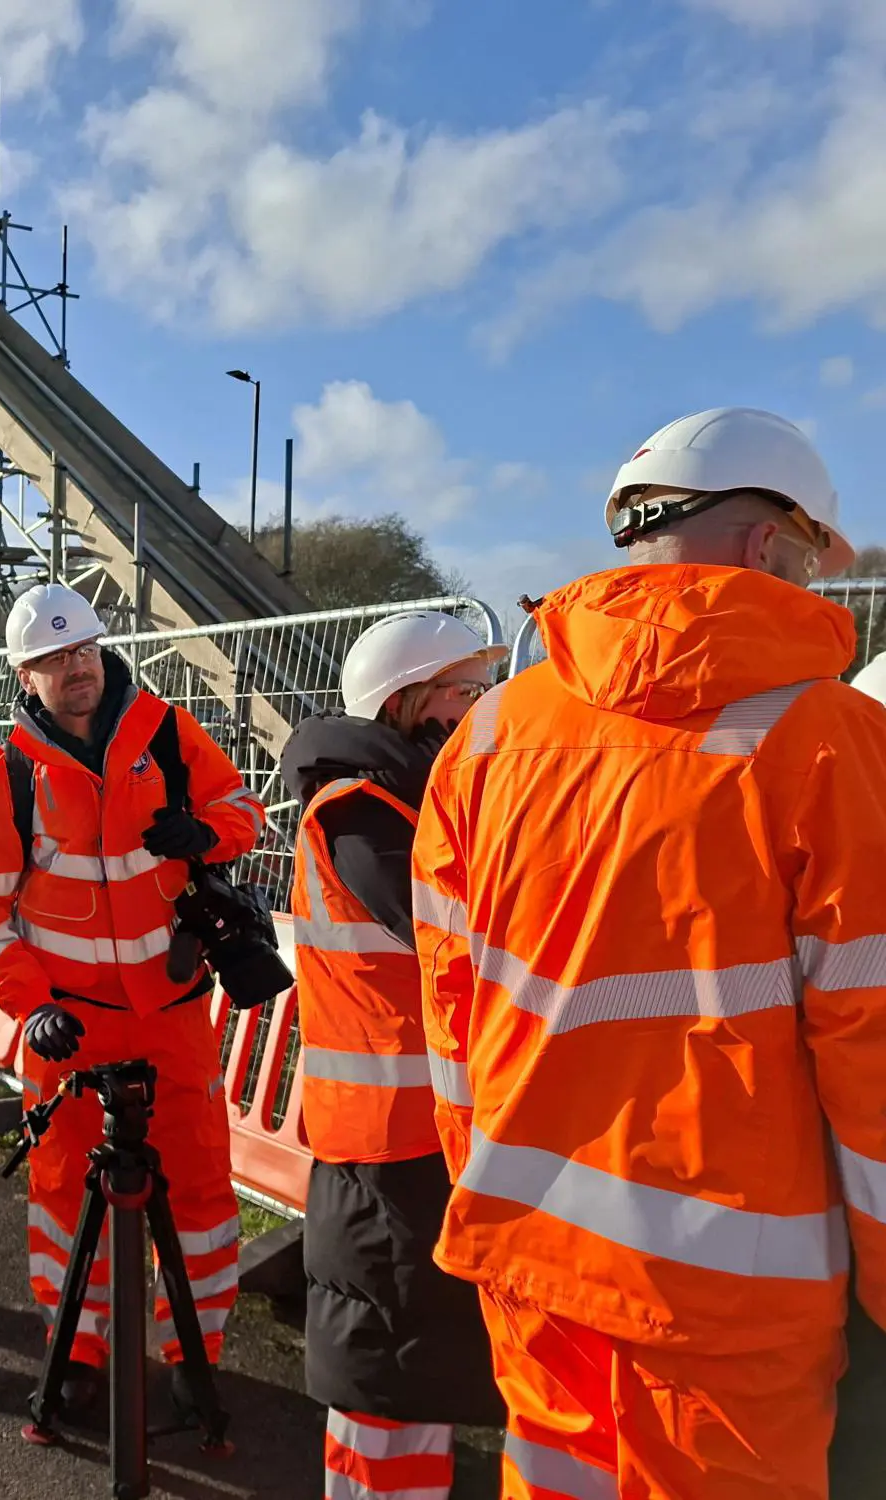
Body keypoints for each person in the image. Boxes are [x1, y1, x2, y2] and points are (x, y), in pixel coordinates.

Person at [413, 407, 886, 1498]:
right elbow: (873, 1049)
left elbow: (451, 1015)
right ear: (767, 544)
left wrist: (483, 1184)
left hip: (531, 1260)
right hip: (733, 1311)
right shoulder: (831, 741)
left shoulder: (486, 734)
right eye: (810, 561)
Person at [0, 583, 265, 1416]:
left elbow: (242, 807)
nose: (76, 668)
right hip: (70, 1030)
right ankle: (78, 1349)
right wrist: (30, 1005)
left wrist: (210, 834)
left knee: (199, 1191)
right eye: (55, 659)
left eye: (84, 650)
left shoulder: (168, 735)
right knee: (64, 1195)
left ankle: (194, 1354)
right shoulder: (8, 776)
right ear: (25, 676)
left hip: (173, 1017)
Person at [279, 611, 507, 1500]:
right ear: (408, 702)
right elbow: (464, 934)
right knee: (387, 1382)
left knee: (419, 1372)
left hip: (422, 1144)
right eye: (466, 691)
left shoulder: (409, 803)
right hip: (384, 1154)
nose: (482, 707)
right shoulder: (360, 816)